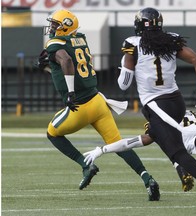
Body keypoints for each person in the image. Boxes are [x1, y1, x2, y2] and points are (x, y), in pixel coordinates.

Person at [90, 7, 196, 214]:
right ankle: (178, 168)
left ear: (138, 24)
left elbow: (124, 84)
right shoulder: (171, 39)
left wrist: (125, 66)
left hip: (155, 104)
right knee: (153, 136)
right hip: (176, 102)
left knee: (177, 150)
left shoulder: (133, 44)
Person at [37, 9, 160, 201]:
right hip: (98, 102)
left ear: (66, 26)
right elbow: (67, 67)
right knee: (118, 144)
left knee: (52, 133)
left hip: (80, 107)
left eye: (56, 24)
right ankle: (148, 179)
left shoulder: (55, 44)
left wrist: (70, 93)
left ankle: (85, 165)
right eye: (52, 24)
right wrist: (47, 67)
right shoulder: (80, 39)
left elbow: (67, 60)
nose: (52, 28)